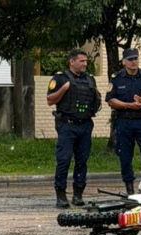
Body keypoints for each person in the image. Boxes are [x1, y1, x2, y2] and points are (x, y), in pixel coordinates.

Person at [47, 49, 102, 208]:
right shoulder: (60, 78)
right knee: (63, 160)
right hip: (67, 125)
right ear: (72, 62)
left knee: (82, 161)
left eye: (86, 61)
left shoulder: (90, 79)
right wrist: (64, 89)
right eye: (81, 61)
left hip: (85, 125)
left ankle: (78, 194)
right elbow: (50, 100)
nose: (85, 64)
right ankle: (61, 194)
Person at [105, 49, 141, 195]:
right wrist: (129, 105)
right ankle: (129, 187)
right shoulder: (117, 78)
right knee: (124, 155)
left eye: (135, 58)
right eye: (130, 59)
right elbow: (110, 100)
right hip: (124, 121)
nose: (133, 62)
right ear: (124, 62)